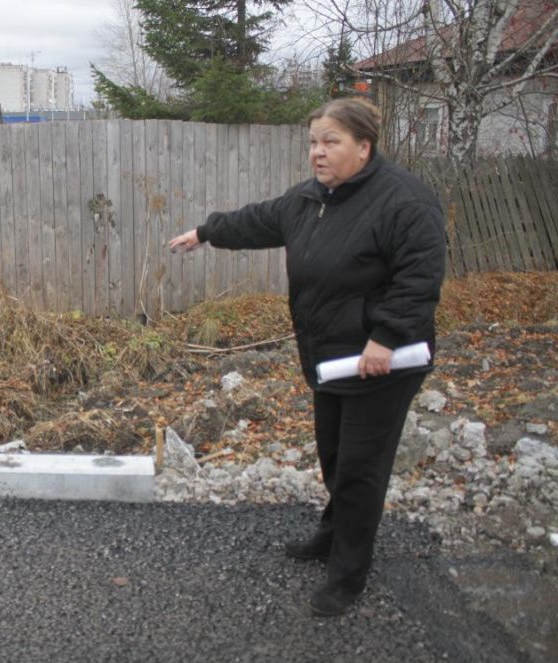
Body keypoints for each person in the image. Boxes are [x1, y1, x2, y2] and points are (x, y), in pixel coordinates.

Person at [168, 98, 446, 617]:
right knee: (336, 456)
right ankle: (332, 534)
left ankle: (348, 575)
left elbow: (420, 276)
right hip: (329, 358)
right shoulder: (311, 198)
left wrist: (385, 339)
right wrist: (206, 232)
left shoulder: (404, 201)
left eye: (331, 142)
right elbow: (259, 221)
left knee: (361, 468)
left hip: (382, 362)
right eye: (314, 142)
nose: (318, 153)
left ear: (364, 147)